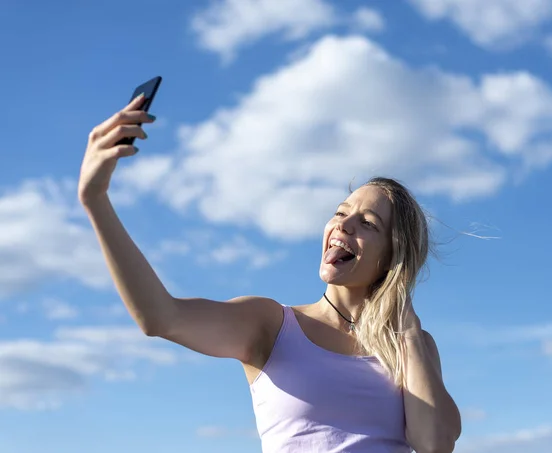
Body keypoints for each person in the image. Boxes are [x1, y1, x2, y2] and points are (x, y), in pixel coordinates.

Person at [79, 93, 462, 453]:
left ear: (394, 254)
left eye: (367, 223)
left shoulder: (414, 346)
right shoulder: (273, 325)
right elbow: (160, 318)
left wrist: (407, 330)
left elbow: (435, 443)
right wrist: (96, 200)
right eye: (341, 213)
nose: (343, 226)